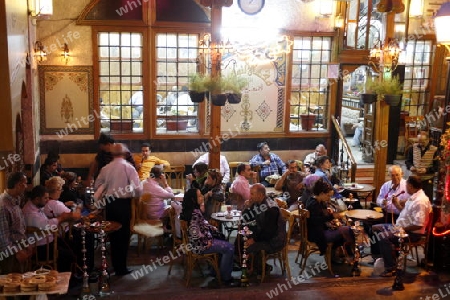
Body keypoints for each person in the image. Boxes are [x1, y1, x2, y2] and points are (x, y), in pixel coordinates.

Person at [94, 143, 142, 276]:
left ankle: (114, 265)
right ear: (125, 154)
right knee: (123, 235)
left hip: (110, 204)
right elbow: (137, 188)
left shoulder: (106, 168)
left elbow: (97, 185)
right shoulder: (129, 168)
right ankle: (121, 268)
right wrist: (134, 196)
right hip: (123, 204)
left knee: (113, 235)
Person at [375, 175, 432, 277]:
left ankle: (390, 268)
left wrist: (402, 228)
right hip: (401, 227)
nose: (405, 188)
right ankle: (387, 256)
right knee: (375, 228)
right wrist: (397, 204)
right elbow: (406, 214)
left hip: (411, 233)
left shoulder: (420, 201)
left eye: (406, 185)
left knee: (383, 237)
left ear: (410, 186)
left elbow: (419, 224)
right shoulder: (414, 197)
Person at [180, 189, 235, 287]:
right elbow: (194, 233)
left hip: (195, 243)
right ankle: (225, 277)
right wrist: (206, 242)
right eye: (199, 196)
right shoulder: (194, 213)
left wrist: (212, 227)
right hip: (199, 246)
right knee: (229, 247)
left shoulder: (192, 210)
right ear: (193, 199)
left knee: (222, 240)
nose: (202, 197)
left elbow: (202, 224)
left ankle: (215, 271)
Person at [22, 185, 81, 272]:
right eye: (45, 198)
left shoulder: (33, 205)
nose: (48, 200)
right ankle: (66, 281)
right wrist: (60, 218)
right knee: (69, 255)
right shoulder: (30, 213)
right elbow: (45, 226)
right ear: (37, 199)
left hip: (46, 243)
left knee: (72, 246)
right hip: (41, 249)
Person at [240, 183, 286, 275]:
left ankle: (260, 269)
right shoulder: (257, 203)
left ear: (260, 195)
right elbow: (247, 217)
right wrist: (247, 208)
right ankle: (254, 266)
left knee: (247, 247)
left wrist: (254, 239)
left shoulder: (271, 209)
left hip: (274, 240)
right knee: (241, 238)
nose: (250, 196)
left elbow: (269, 232)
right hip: (263, 234)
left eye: (252, 194)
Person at [305, 178, 354, 262]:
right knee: (347, 230)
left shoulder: (314, 200)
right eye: (328, 196)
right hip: (317, 235)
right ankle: (350, 255)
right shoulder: (314, 204)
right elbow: (316, 221)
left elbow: (320, 216)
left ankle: (338, 255)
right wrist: (332, 216)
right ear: (321, 193)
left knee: (345, 230)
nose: (329, 198)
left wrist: (328, 213)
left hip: (317, 232)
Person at [0, 172, 33, 274]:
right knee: (13, 282)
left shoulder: (16, 200)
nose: (26, 187)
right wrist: (17, 252)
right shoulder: (3, 205)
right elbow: (3, 237)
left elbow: (18, 226)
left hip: (19, 246)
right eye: (25, 183)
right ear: (19, 185)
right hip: (10, 253)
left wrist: (26, 243)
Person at [405, 131, 438, 200]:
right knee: (413, 199)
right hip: (415, 179)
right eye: (419, 141)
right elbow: (408, 161)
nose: (420, 143)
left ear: (428, 140)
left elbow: (437, 166)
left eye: (422, 141)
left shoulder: (434, 150)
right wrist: (411, 167)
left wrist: (426, 170)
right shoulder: (412, 148)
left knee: (426, 199)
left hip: (427, 179)